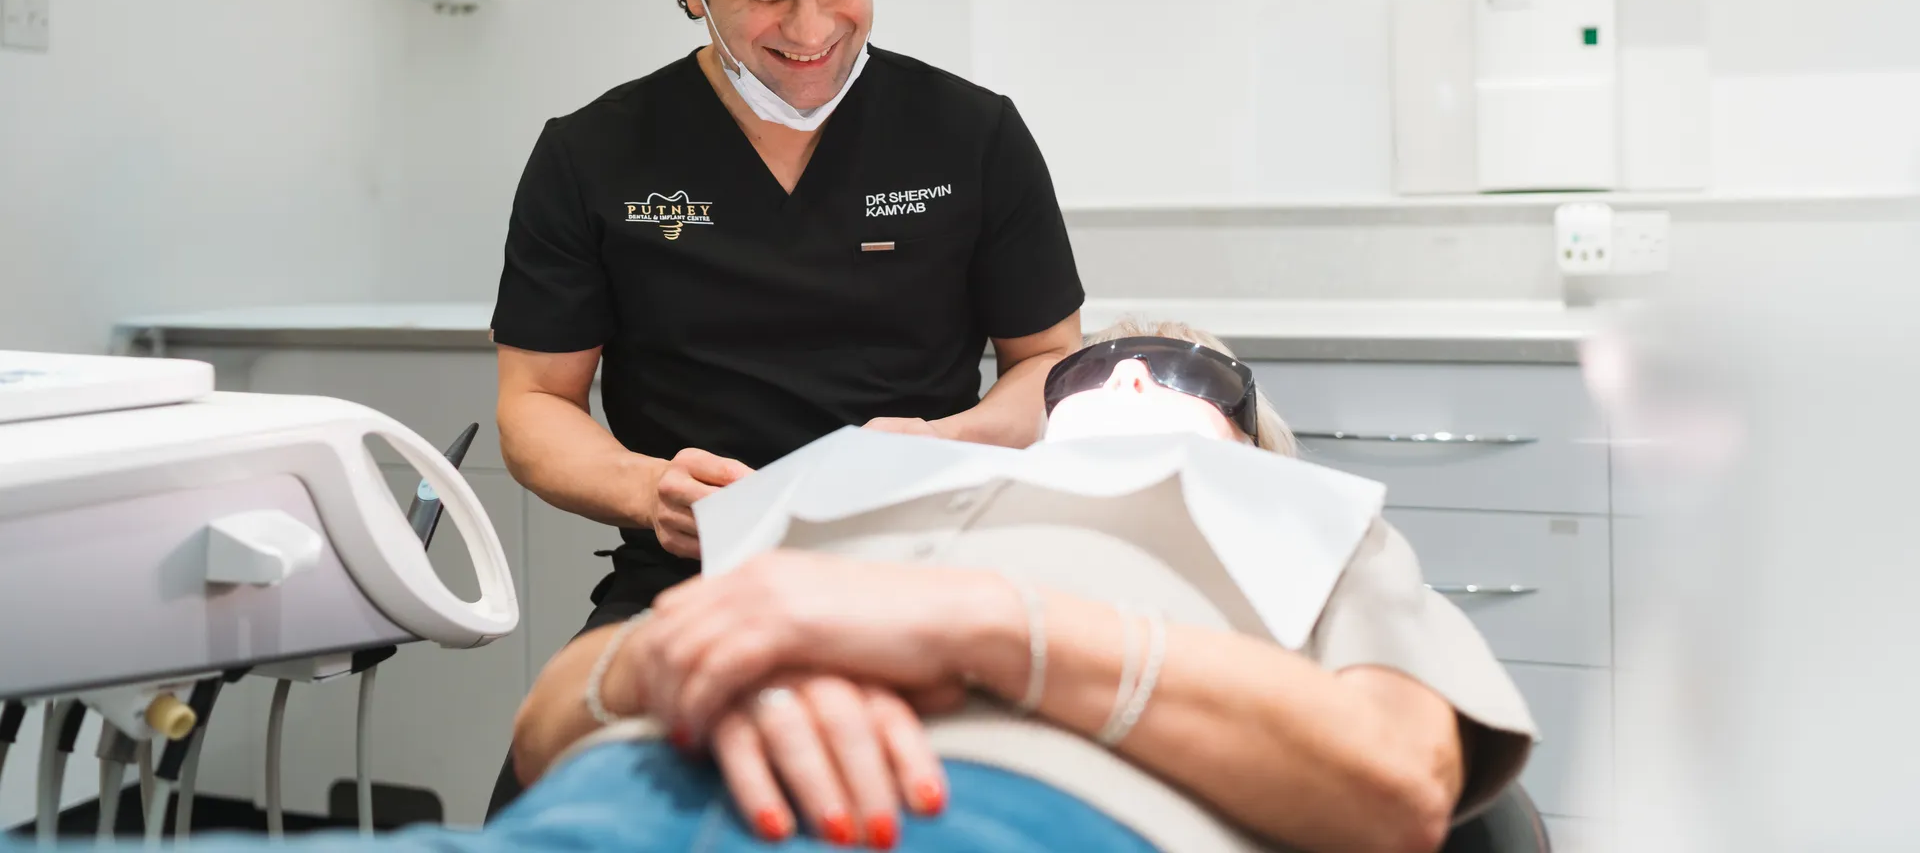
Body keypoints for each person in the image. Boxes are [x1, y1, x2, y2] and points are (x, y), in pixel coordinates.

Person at [486, 0, 1085, 812]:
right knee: (550, 801)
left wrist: (947, 438)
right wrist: (650, 490)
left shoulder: (971, 136)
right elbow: (533, 406)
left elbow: (1049, 370)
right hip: (691, 579)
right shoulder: (591, 156)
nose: (812, 28)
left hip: (931, 565)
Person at [500, 320, 1539, 853]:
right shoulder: (867, 486)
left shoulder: (1306, 518)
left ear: (1261, 444)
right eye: (1096, 368)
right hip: (621, 801)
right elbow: (543, 729)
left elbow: (1400, 783)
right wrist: (708, 668)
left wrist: (990, 628)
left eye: (1189, 375)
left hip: (984, 818)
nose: (1133, 375)